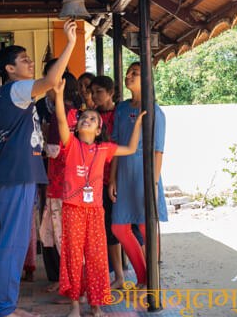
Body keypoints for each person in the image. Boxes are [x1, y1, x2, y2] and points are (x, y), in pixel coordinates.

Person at [0, 19, 77, 317]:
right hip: (17, 174)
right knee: (12, 244)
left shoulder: (19, 93)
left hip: (22, 173)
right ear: (9, 69)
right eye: (23, 59)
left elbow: (51, 84)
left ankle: (9, 306)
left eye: (30, 58)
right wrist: (70, 44)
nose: (29, 62)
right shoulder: (16, 89)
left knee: (16, 243)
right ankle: (4, 309)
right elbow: (52, 79)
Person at [54, 79, 145, 317]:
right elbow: (62, 120)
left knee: (96, 258)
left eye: (93, 119)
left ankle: (96, 306)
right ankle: (75, 305)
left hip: (94, 211)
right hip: (72, 208)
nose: (87, 120)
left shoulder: (104, 149)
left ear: (98, 130)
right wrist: (58, 94)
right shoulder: (70, 144)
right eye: (84, 118)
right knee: (74, 257)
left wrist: (138, 124)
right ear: (78, 126)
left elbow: (132, 148)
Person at [109, 62, 167, 289]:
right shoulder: (121, 109)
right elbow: (114, 145)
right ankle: (143, 276)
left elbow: (158, 150)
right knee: (119, 227)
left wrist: (153, 182)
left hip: (145, 175)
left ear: (147, 78)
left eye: (135, 73)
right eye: (128, 72)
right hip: (123, 174)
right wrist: (112, 178)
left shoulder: (155, 110)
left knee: (145, 226)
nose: (129, 75)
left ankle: (152, 279)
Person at [39, 71, 80, 291]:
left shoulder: (58, 115)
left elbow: (53, 151)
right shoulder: (79, 113)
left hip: (58, 184)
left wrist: (42, 140)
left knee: (62, 237)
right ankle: (73, 281)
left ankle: (72, 283)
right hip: (77, 184)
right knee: (72, 237)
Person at [90, 75, 124, 288]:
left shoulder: (119, 114)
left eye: (99, 92)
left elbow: (120, 147)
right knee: (102, 228)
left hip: (115, 177)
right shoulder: (91, 116)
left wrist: (113, 179)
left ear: (111, 93)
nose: (94, 96)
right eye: (92, 92)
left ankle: (121, 275)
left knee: (117, 227)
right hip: (95, 178)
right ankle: (112, 274)